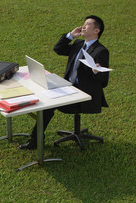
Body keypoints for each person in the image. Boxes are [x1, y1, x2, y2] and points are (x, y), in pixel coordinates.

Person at [19, 15, 110, 150]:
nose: (83, 26)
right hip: (67, 88)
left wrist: (96, 72)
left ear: (97, 30)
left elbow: (103, 81)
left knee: (47, 106)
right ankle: (36, 138)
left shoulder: (101, 51)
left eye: (87, 24)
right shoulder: (79, 44)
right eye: (83, 24)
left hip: (83, 95)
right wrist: (70, 36)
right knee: (43, 93)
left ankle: (35, 141)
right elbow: (58, 49)